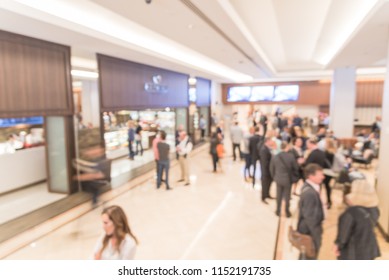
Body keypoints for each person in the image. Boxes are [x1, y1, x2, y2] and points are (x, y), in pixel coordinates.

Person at [334, 179, 380, 260]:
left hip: (353, 252)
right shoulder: (375, 210)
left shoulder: (351, 213)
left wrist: (337, 245)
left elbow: (343, 237)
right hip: (369, 250)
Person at [297, 164, 325, 260]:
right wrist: (316, 234)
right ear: (311, 176)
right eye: (320, 174)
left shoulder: (308, 187)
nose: (323, 177)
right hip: (309, 231)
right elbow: (309, 216)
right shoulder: (310, 193)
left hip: (308, 229)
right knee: (310, 255)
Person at [270, 141, 299, 217]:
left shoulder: (275, 156)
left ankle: (278, 210)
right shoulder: (291, 156)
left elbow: (271, 169)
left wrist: (275, 177)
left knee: (278, 195)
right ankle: (287, 211)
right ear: (287, 147)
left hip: (278, 179)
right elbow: (296, 168)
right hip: (287, 180)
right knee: (287, 196)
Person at [259, 137, 274, 204]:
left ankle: (267, 194)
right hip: (266, 171)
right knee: (264, 184)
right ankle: (263, 197)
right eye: (271, 141)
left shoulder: (268, 148)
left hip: (269, 170)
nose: (272, 142)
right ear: (267, 141)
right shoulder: (263, 149)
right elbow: (264, 162)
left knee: (268, 184)